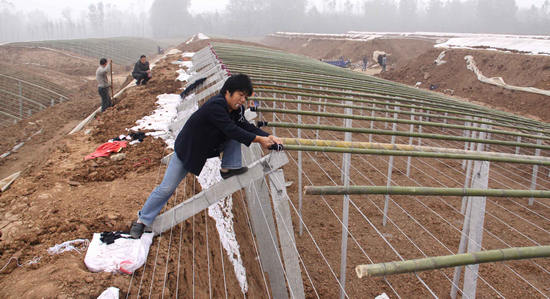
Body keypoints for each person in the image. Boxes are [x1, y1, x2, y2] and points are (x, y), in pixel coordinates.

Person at [129, 74, 282, 239]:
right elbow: (231, 129)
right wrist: (260, 140)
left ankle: (228, 168)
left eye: (245, 96)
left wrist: (268, 136)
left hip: (210, 145)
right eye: (240, 94)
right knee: (167, 188)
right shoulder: (215, 106)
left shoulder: (237, 110)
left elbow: (244, 125)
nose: (243, 100)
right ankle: (141, 220)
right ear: (228, 92)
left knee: (238, 131)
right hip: (189, 149)